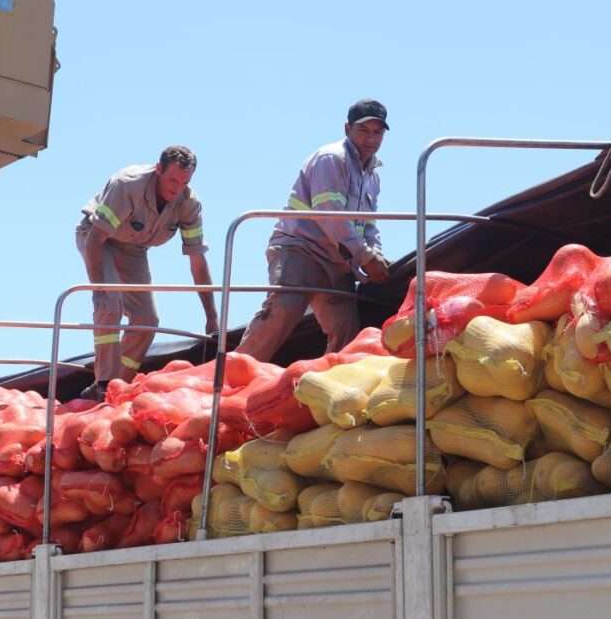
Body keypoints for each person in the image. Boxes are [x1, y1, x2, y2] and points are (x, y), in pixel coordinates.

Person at [235, 99, 391, 362]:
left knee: (346, 332)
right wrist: (366, 257)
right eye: (363, 130)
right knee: (283, 310)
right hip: (301, 249)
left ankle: (330, 390)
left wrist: (376, 253)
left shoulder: (372, 175)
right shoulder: (331, 159)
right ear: (347, 129)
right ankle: (231, 379)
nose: (370, 138)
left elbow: (368, 224)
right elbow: (330, 215)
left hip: (337, 261)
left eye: (377, 132)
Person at [77, 145, 218, 401]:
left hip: (134, 250)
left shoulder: (189, 205)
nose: (177, 188)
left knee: (147, 320)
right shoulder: (127, 185)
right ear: (158, 169)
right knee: (110, 304)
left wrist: (212, 318)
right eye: (172, 179)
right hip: (98, 239)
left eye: (184, 181)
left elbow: (197, 260)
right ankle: (103, 383)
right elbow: (96, 238)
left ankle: (117, 388)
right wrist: (100, 289)